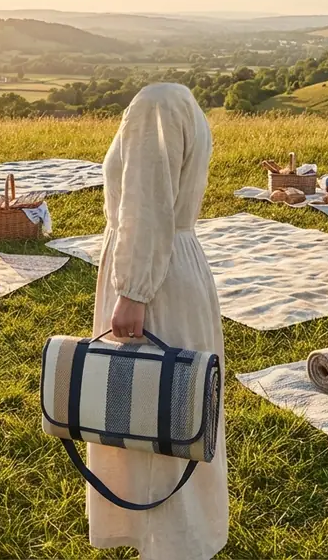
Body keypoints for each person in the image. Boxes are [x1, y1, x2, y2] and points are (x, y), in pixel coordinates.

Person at [88, 83, 228, 559]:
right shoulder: (177, 100)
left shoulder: (154, 105)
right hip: (171, 264)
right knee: (160, 411)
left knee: (162, 411)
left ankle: (173, 544)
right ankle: (169, 536)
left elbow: (147, 203)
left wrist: (133, 291)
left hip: (157, 277)